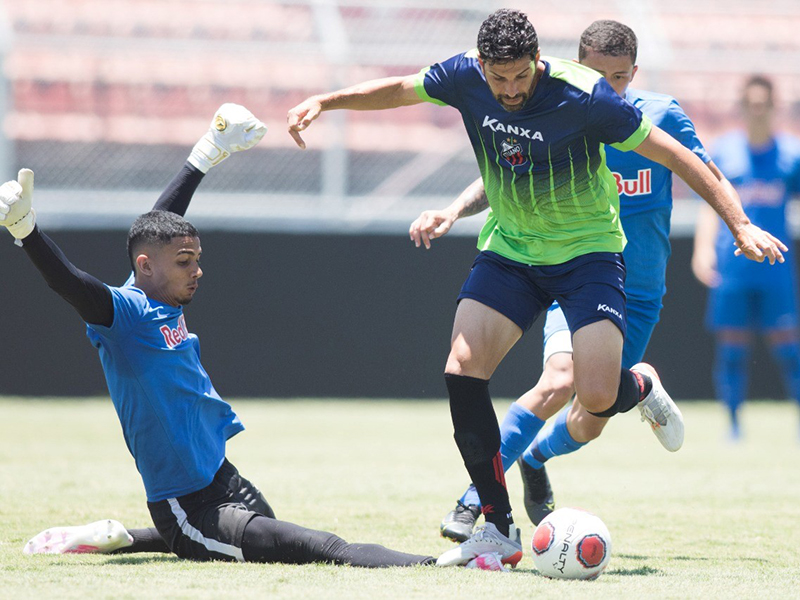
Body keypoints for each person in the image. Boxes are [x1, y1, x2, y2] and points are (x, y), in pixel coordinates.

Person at [287, 9, 784, 568]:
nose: (510, 89)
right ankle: (497, 525)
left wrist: (739, 224)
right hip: (513, 252)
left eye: (521, 76)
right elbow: (401, 90)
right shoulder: (464, 78)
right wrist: (327, 103)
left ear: (539, 62)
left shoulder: (590, 98)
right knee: (462, 368)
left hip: (588, 256)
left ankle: (635, 387)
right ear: (481, 67)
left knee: (593, 399)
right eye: (499, 78)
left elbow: (677, 156)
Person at [11, 103, 433, 568]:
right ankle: (438, 565)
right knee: (321, 548)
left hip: (222, 478)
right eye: (185, 263)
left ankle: (118, 536)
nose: (197, 271)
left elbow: (158, 223)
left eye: (195, 258)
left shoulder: (155, 291)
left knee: (279, 539)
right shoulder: (124, 314)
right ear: (145, 268)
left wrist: (207, 153)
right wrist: (27, 232)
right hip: (188, 509)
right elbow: (71, 283)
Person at [413, 19, 746, 543]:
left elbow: (703, 171)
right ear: (574, 67)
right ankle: (476, 498)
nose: (606, 86)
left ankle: (543, 451)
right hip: (573, 269)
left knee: (591, 414)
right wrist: (454, 210)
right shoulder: (564, 104)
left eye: (618, 76)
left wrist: (739, 224)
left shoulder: (658, 116)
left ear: (634, 72)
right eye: (596, 74)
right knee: (559, 378)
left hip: (636, 287)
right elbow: (503, 171)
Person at [693, 75, 800, 441]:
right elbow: (711, 207)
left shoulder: (791, 155)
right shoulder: (724, 152)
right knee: (733, 351)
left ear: (774, 108)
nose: (757, 112)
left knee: (790, 351)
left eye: (763, 105)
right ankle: (734, 428)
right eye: (751, 104)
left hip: (775, 268)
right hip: (733, 266)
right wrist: (703, 248)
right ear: (742, 107)